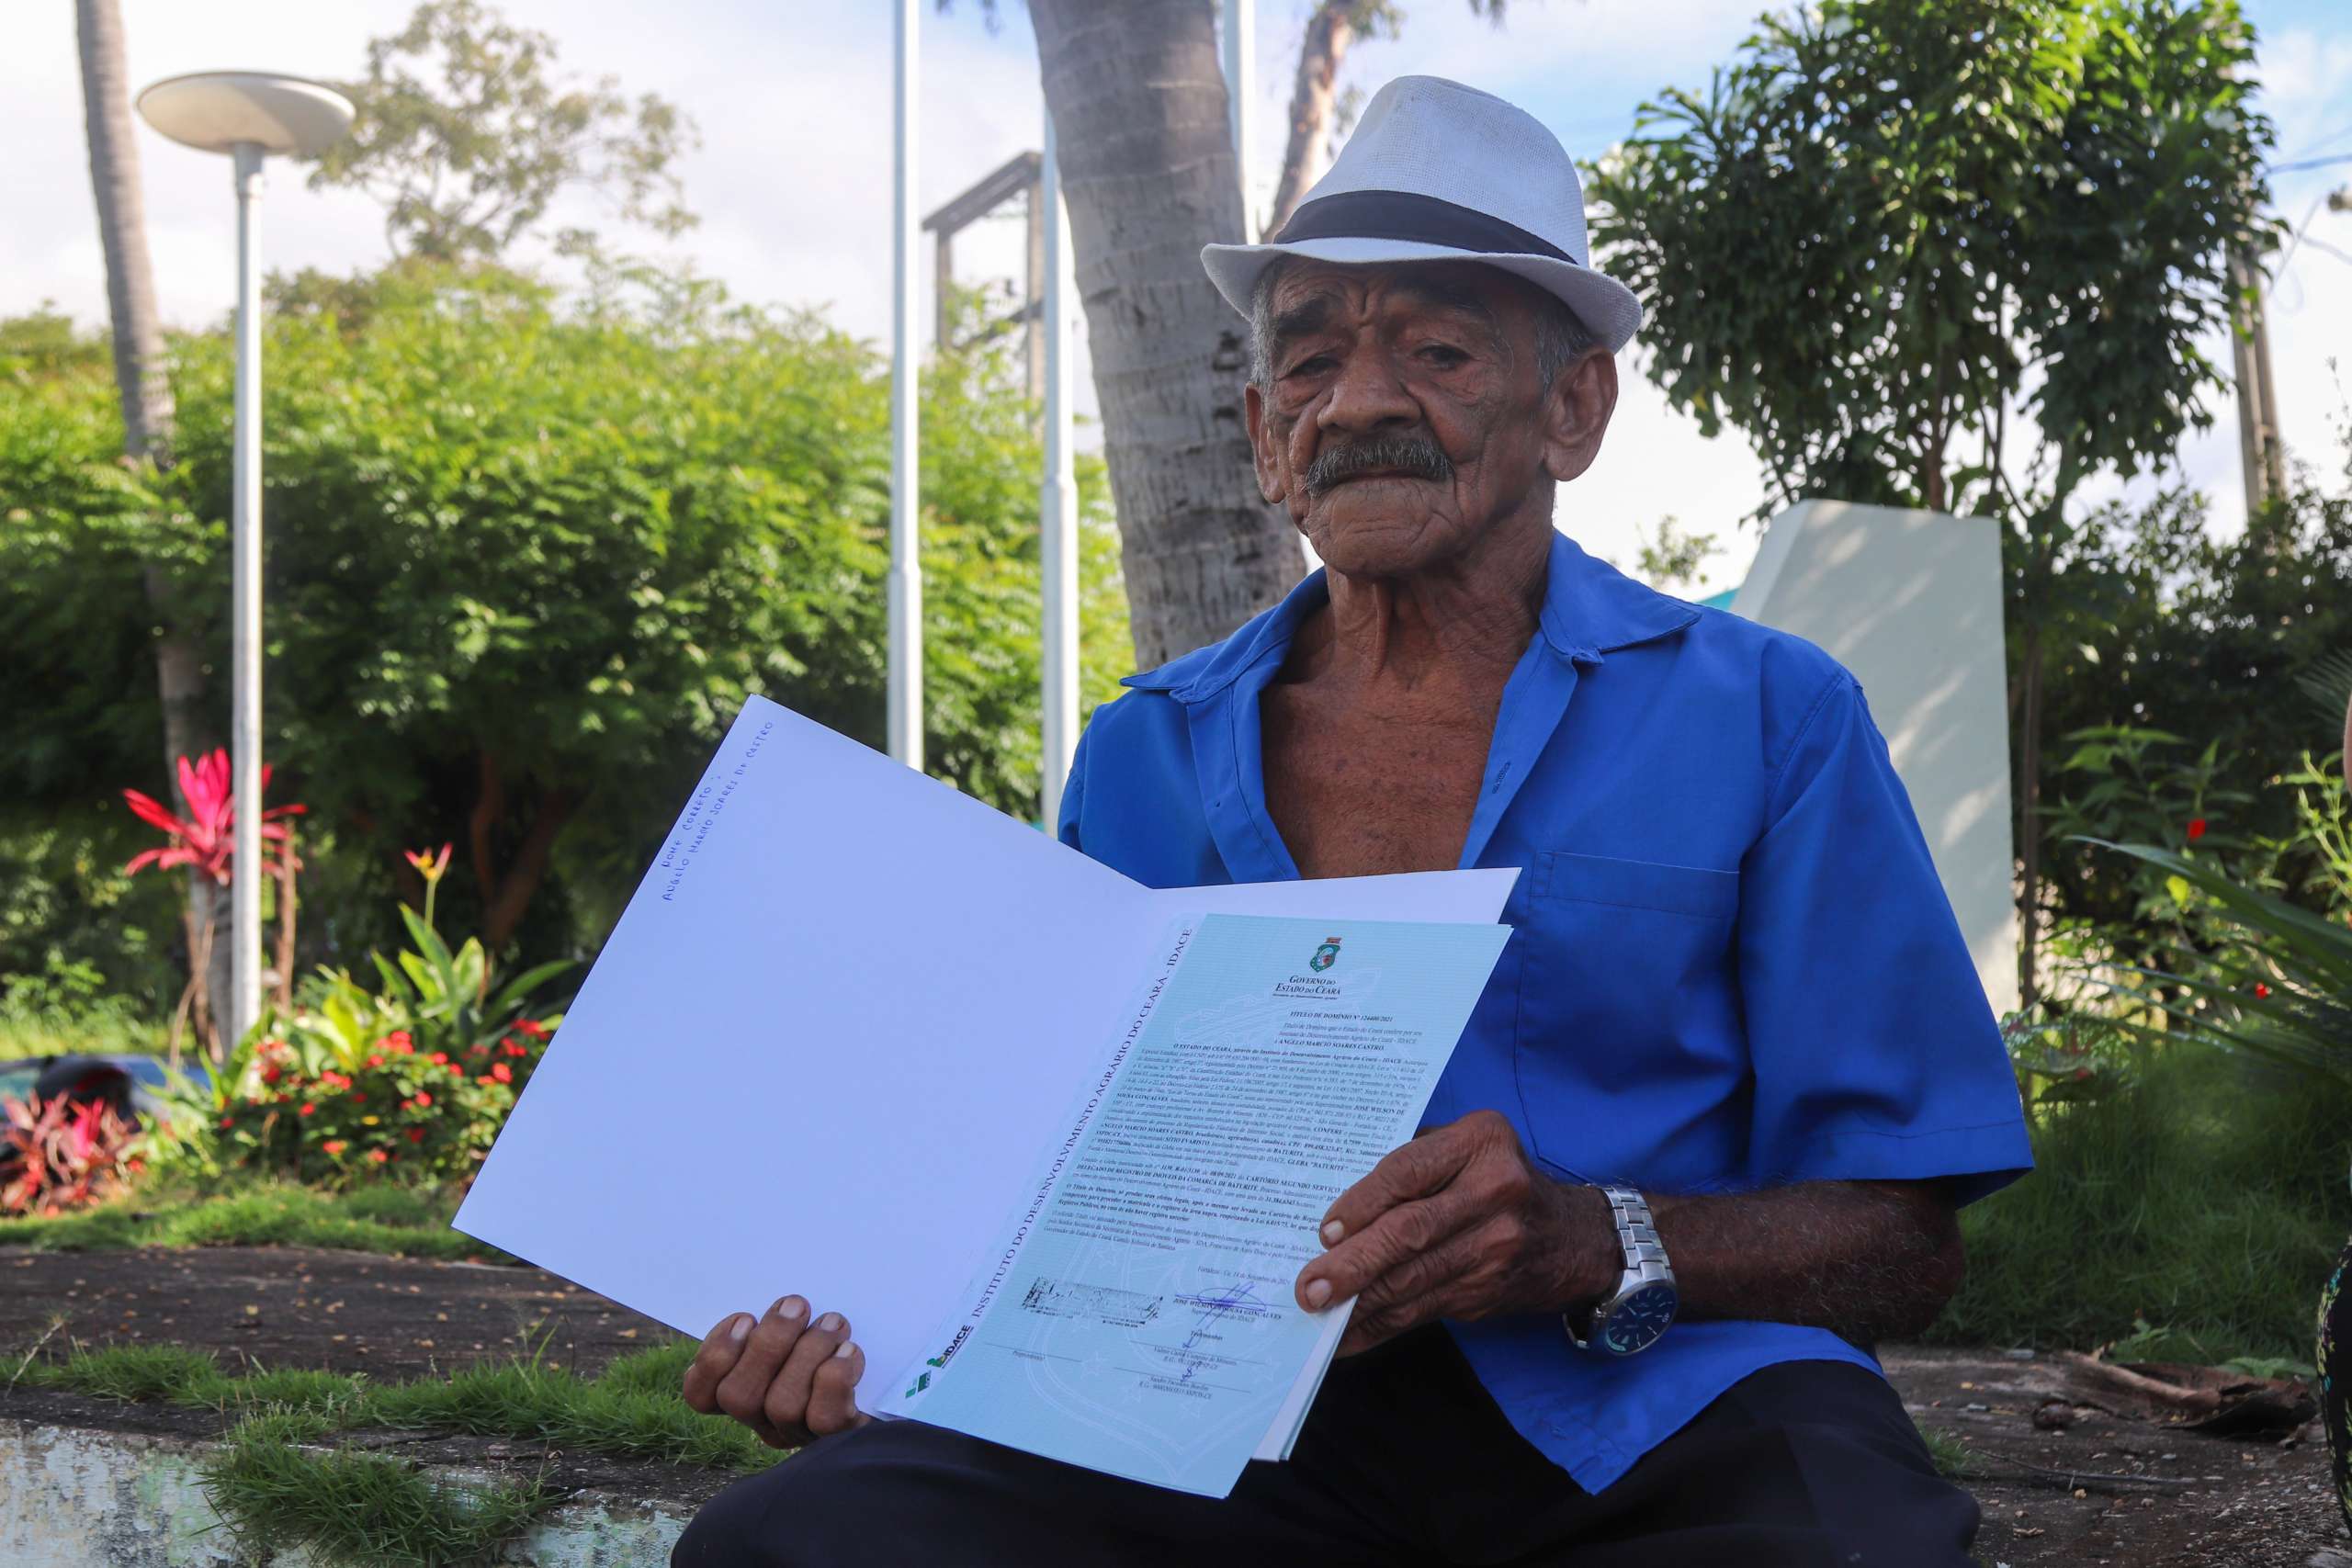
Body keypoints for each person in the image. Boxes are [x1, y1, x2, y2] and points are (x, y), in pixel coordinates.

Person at [672, 76, 2031, 1566]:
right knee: (790, 1547)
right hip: (1223, 1422)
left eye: (1437, 351)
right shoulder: (1145, 755)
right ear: (1266, 436)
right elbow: (1041, 1187)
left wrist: (1596, 1238)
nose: (1363, 402)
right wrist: (871, 1340)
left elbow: (1909, 1246)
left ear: (1572, 408)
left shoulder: (1770, 715)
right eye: (1311, 362)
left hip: (1673, 1406)